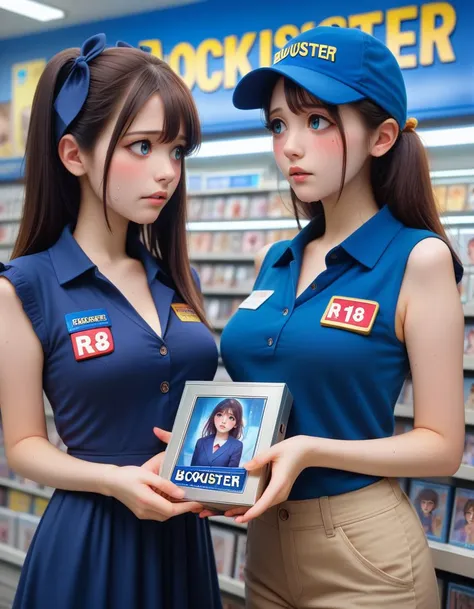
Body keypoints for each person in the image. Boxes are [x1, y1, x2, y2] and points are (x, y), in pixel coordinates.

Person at [219, 25, 465, 609]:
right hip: (265, 541)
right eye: (278, 124)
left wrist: (311, 448)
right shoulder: (273, 259)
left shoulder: (417, 259)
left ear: (381, 137)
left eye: (317, 122)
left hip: (364, 551)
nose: (290, 147)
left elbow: (441, 447)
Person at [0, 34, 222, 609]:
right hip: (93, 539)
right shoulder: (27, 285)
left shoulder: (169, 274)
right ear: (74, 155)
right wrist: (112, 479)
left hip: (183, 538)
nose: (167, 171)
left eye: (177, 151)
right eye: (142, 146)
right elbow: (25, 445)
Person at [191, 398, 244, 468]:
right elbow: (191, 470)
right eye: (219, 415)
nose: (224, 421)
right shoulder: (201, 442)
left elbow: (231, 475)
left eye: (231, 418)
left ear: (236, 424)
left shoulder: (236, 446)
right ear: (213, 417)